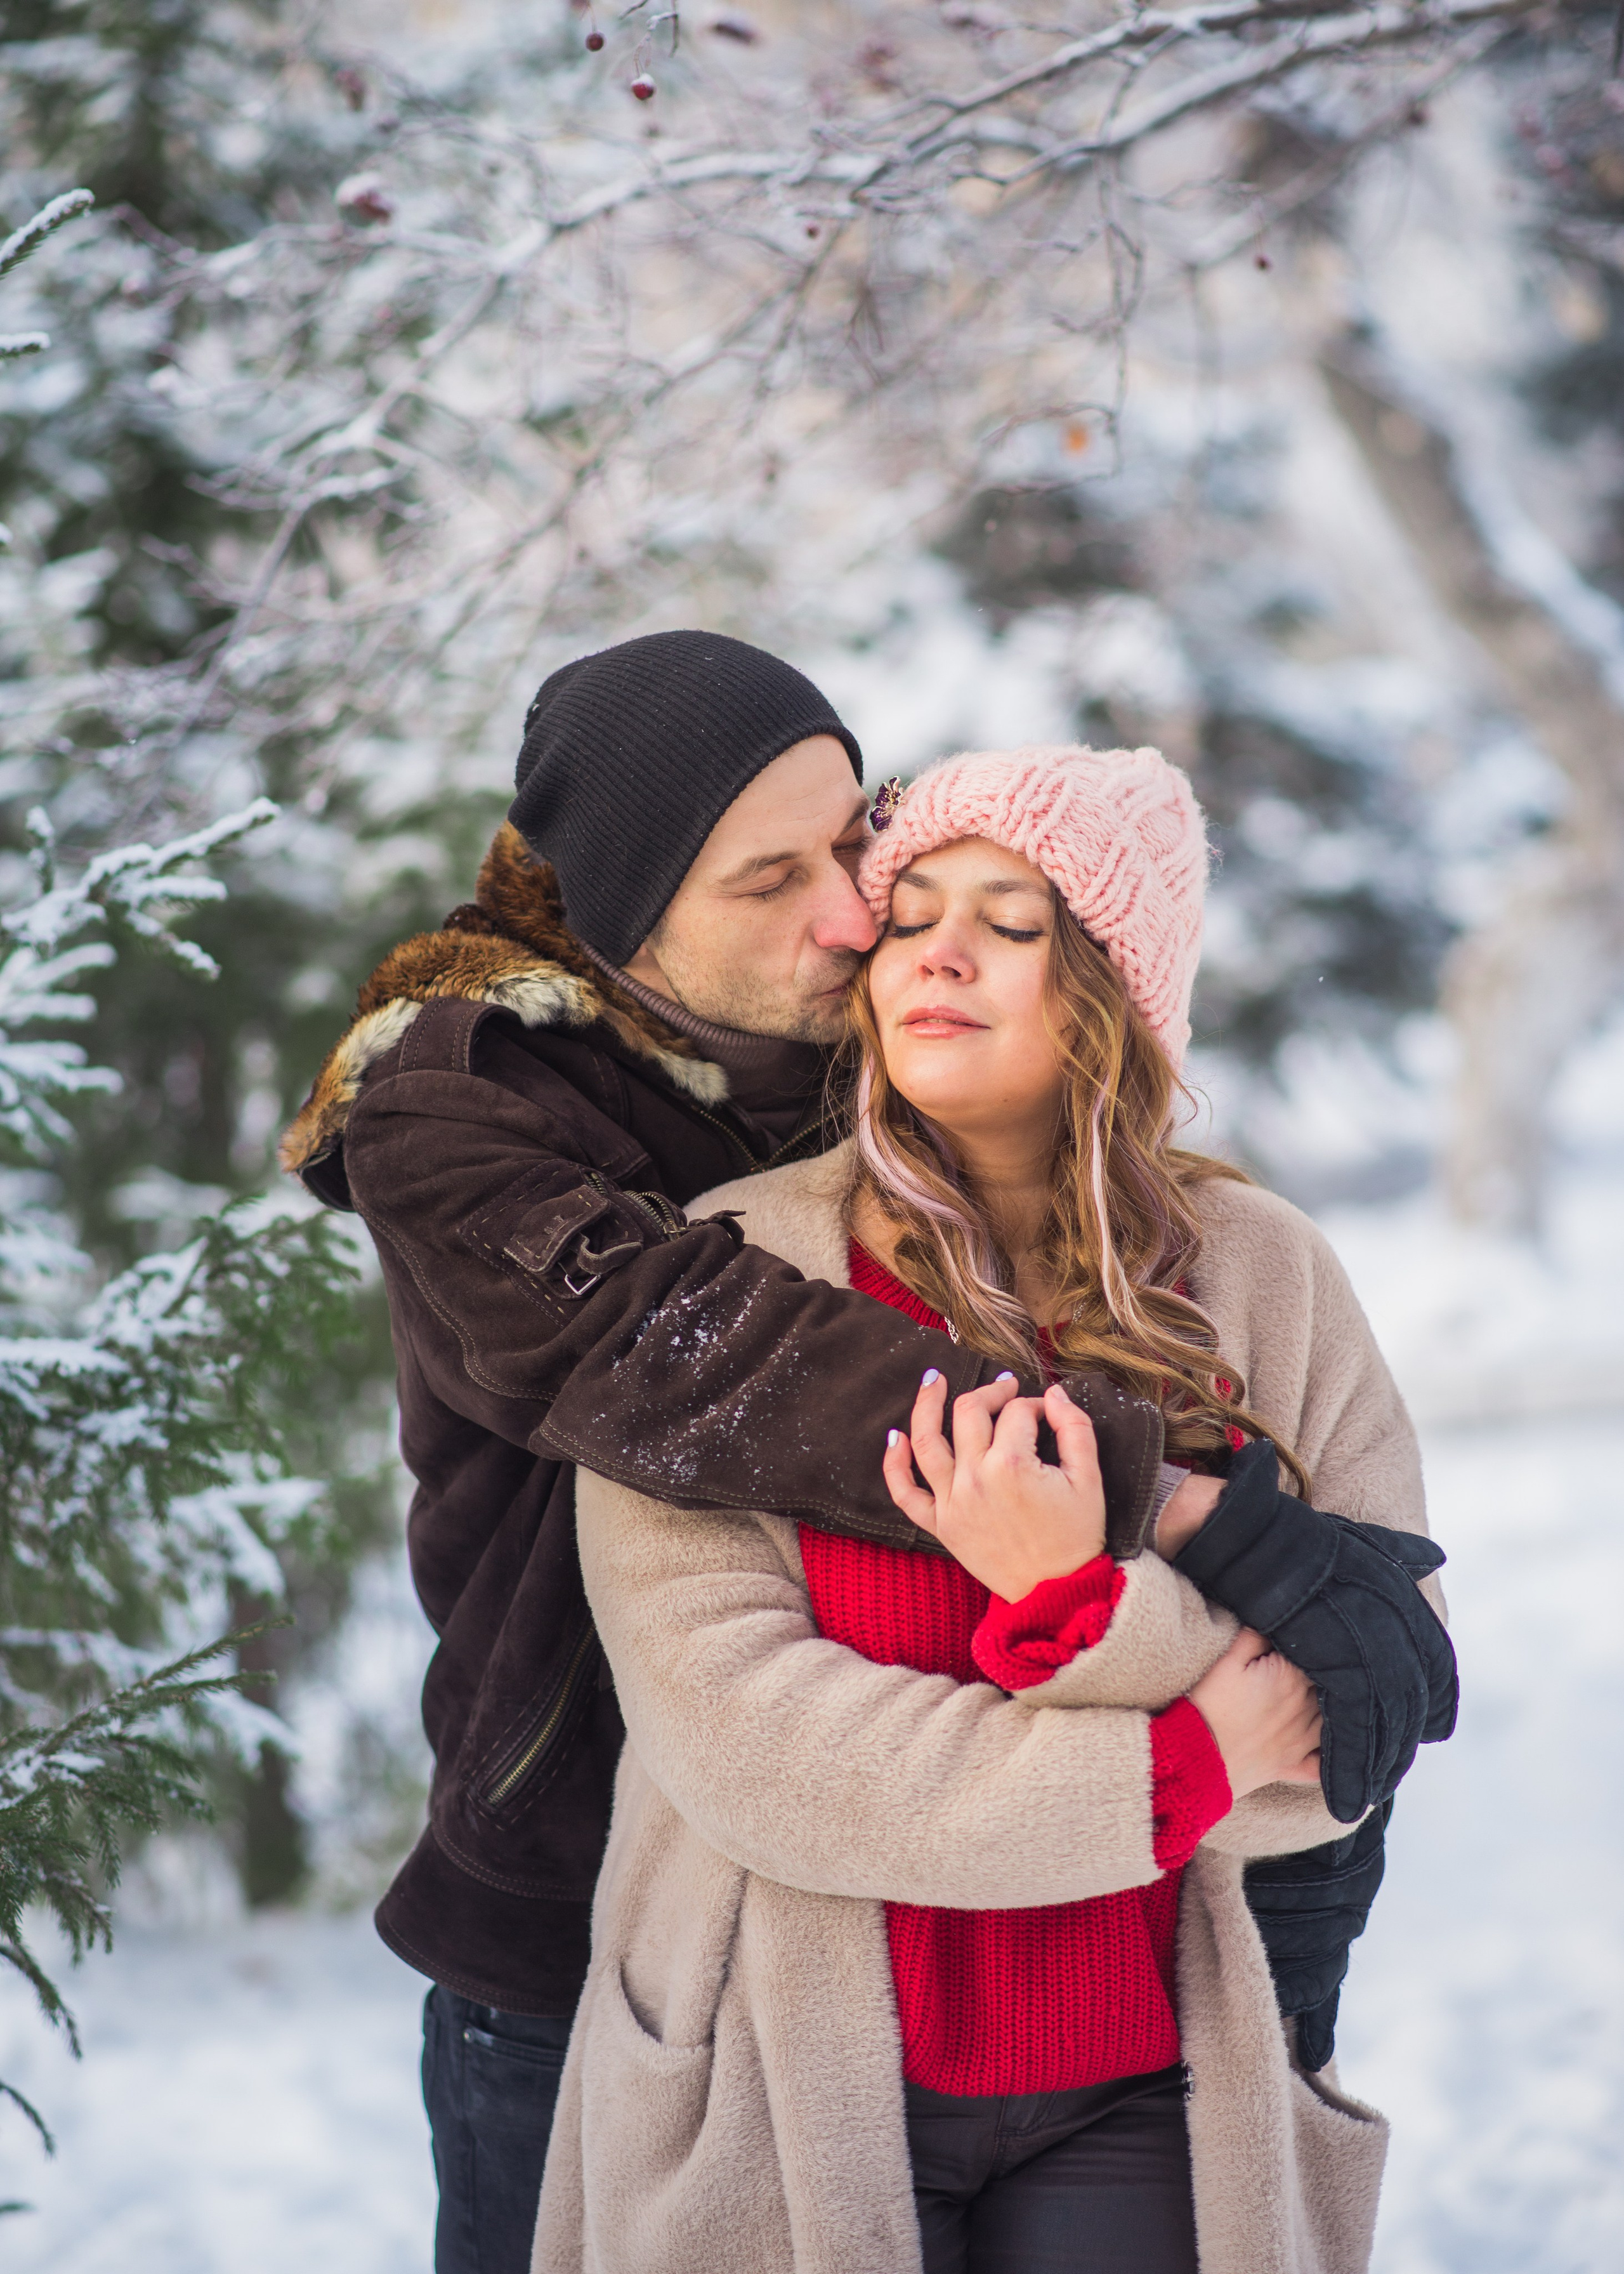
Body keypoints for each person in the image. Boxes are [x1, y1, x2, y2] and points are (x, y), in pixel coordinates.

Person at [280, 648, 1450, 2273]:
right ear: (626, 922)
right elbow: (691, 1352)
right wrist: (1162, 1524)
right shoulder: (459, 1107)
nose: (858, 921)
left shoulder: (895, 1054)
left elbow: (1345, 1703)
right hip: (597, 1904)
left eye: (853, 850)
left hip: (1097, 1980)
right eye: (773, 881)